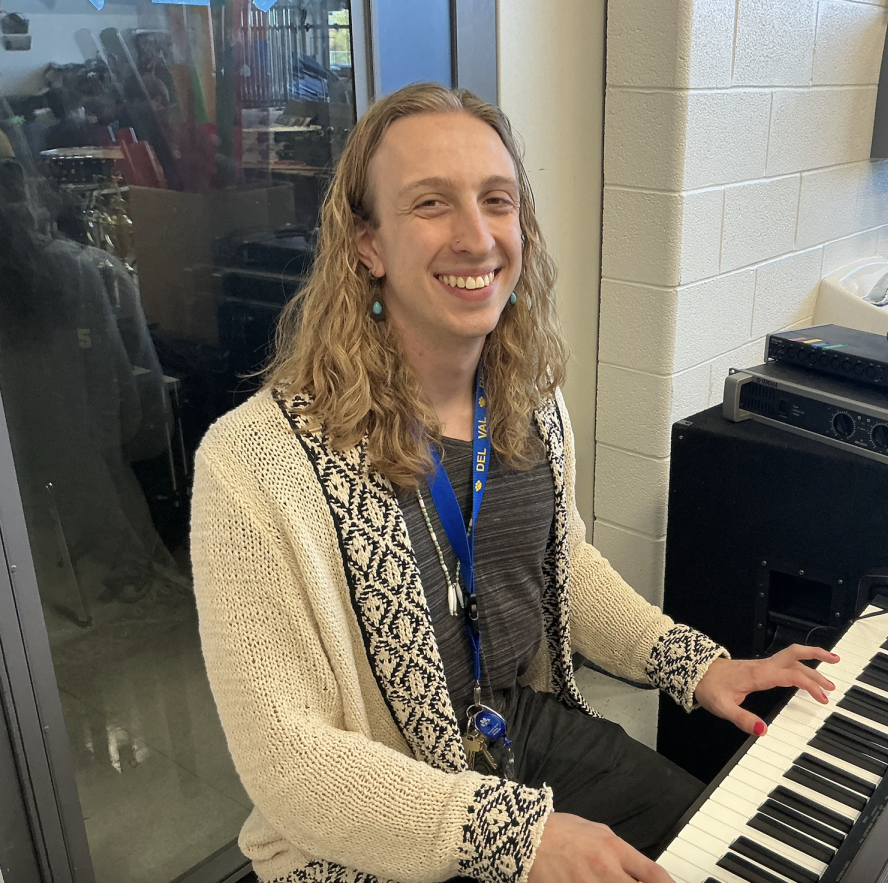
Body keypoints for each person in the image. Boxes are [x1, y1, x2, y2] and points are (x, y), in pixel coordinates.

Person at [190, 82, 839, 883]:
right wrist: (513, 838)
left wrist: (691, 664)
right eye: (431, 203)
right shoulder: (253, 462)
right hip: (366, 823)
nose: (476, 236)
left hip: (519, 733)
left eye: (496, 201)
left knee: (723, 852)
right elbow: (289, 762)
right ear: (367, 243)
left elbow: (562, 565)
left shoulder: (529, 402)